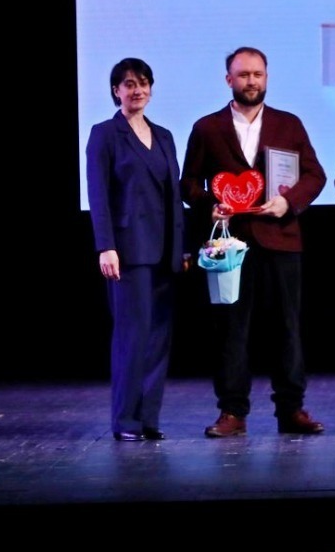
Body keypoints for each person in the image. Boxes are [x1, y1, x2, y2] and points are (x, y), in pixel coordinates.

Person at [181, 47, 327, 436]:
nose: (251, 81)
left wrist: (288, 203)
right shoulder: (207, 127)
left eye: (257, 74)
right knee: (231, 328)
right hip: (230, 245)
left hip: (281, 239)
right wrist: (210, 205)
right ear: (229, 79)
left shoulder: (288, 124)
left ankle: (291, 410)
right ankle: (232, 412)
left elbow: (314, 175)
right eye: (243, 75)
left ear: (267, 77)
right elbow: (188, 183)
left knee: (287, 328)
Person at [86, 57, 185, 441]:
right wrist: (106, 246)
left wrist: (181, 249)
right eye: (129, 84)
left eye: (143, 83)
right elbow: (98, 195)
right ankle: (126, 420)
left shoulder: (164, 136)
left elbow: (172, 196)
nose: (137, 90)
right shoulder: (105, 134)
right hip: (128, 252)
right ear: (116, 91)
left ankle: (148, 419)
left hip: (164, 251)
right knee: (132, 336)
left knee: (159, 337)